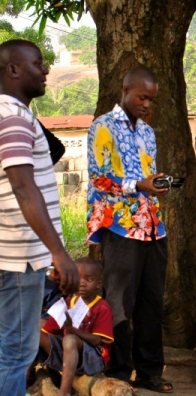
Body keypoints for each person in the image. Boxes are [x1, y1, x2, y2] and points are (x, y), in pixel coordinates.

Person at [86, 67, 173, 393]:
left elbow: (146, 177)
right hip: (120, 227)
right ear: (125, 90)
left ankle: (150, 371)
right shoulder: (102, 127)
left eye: (151, 99)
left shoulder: (148, 132)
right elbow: (99, 178)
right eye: (142, 97)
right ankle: (119, 372)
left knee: (152, 302)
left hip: (153, 227)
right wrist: (139, 184)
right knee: (119, 304)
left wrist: (155, 185)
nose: (147, 104)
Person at [0, 39, 79, 395]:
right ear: (13, 69)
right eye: (37, 63)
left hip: (11, 252)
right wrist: (59, 253)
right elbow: (23, 188)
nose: (46, 69)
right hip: (18, 259)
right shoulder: (13, 117)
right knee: (16, 353)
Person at [40, 257, 113, 395]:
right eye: (78, 278)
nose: (82, 284)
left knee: (70, 339)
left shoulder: (101, 307)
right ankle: (27, 375)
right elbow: (51, 331)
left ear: (98, 284)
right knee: (36, 328)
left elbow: (97, 341)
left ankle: (65, 391)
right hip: (68, 357)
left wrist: (72, 330)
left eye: (89, 280)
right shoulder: (67, 303)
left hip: (93, 359)